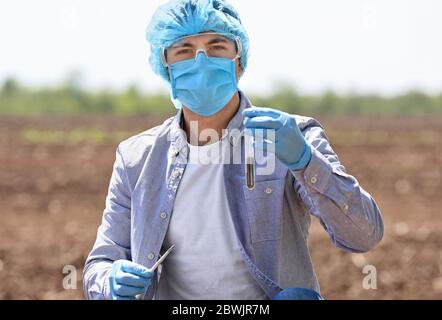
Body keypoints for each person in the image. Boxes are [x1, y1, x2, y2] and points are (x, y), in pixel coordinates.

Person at [83, 0, 384, 300]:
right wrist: (108, 282)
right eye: (184, 50)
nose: (201, 61)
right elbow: (100, 262)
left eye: (216, 47)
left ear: (239, 60)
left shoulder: (291, 136)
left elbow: (363, 233)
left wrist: (305, 162)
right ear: (166, 66)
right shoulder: (137, 158)